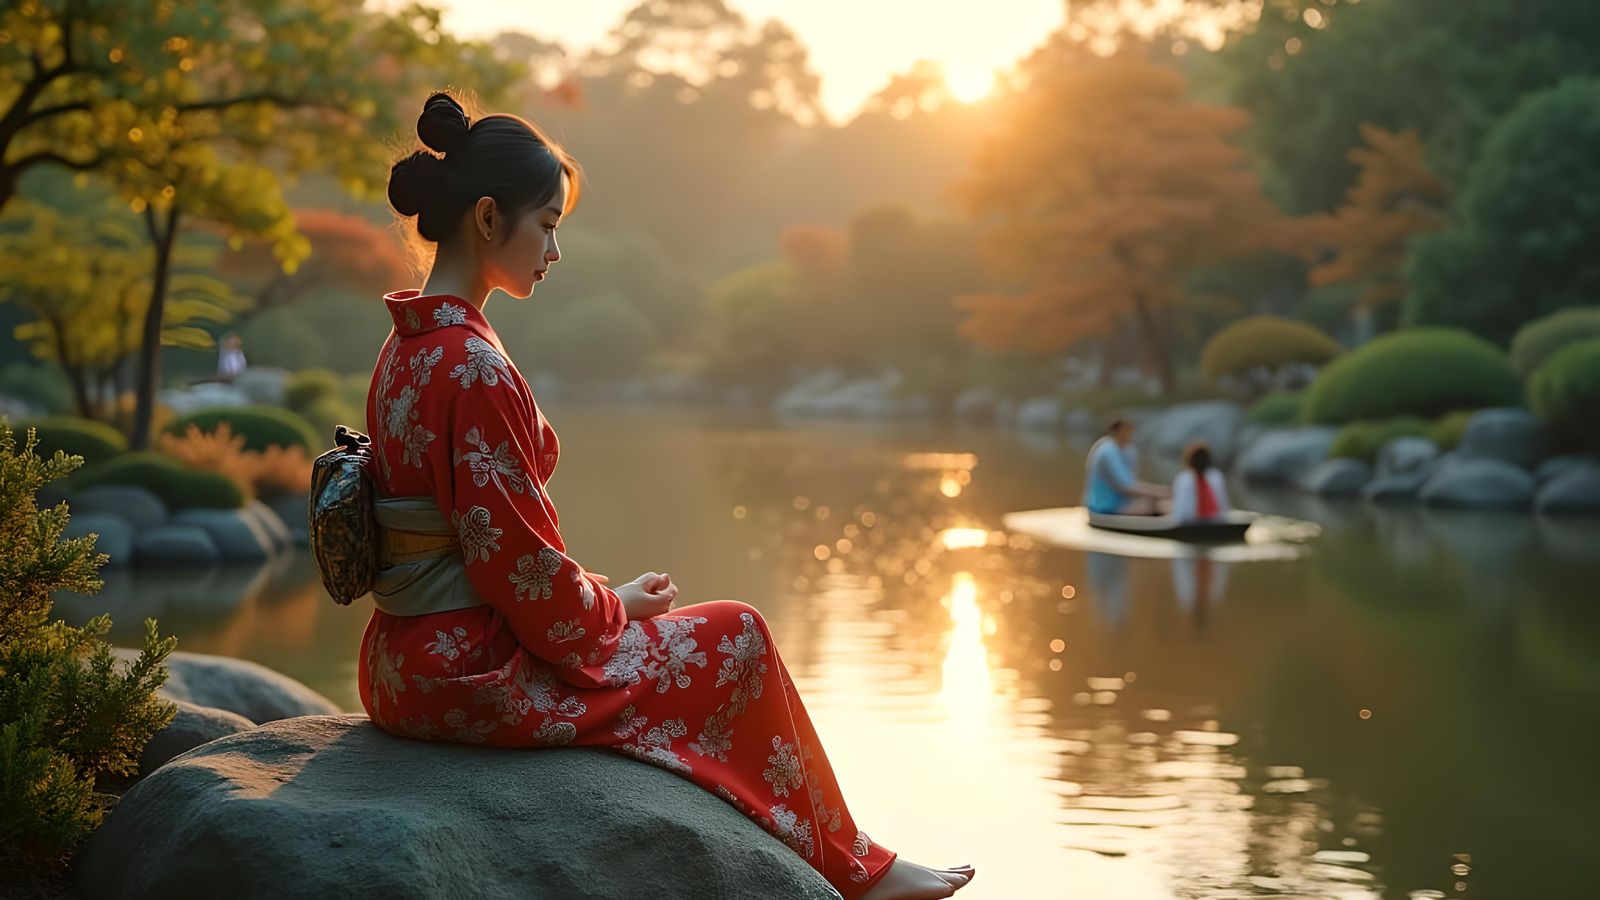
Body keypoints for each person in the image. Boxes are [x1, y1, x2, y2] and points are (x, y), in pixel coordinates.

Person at [358, 92, 972, 900]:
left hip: (398, 666)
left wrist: (606, 602)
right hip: (472, 675)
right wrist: (612, 607)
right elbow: (524, 579)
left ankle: (838, 855)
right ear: (484, 219)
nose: (554, 249)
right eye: (545, 224)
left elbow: (492, 556)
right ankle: (854, 867)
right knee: (739, 637)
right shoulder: (472, 366)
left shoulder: (404, 350)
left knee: (697, 636)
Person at [1083, 418, 1169, 515]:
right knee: (1152, 503)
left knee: (1160, 502)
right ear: (1117, 431)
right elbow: (1126, 486)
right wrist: (1160, 492)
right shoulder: (1107, 451)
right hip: (1104, 505)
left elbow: (1132, 482)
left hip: (1122, 502)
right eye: (1127, 431)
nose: (1130, 434)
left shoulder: (1128, 450)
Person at [1170, 440, 1231, 524]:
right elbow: (1225, 508)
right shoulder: (1217, 476)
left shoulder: (1183, 479)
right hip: (1217, 522)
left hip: (1190, 524)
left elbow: (1180, 514)